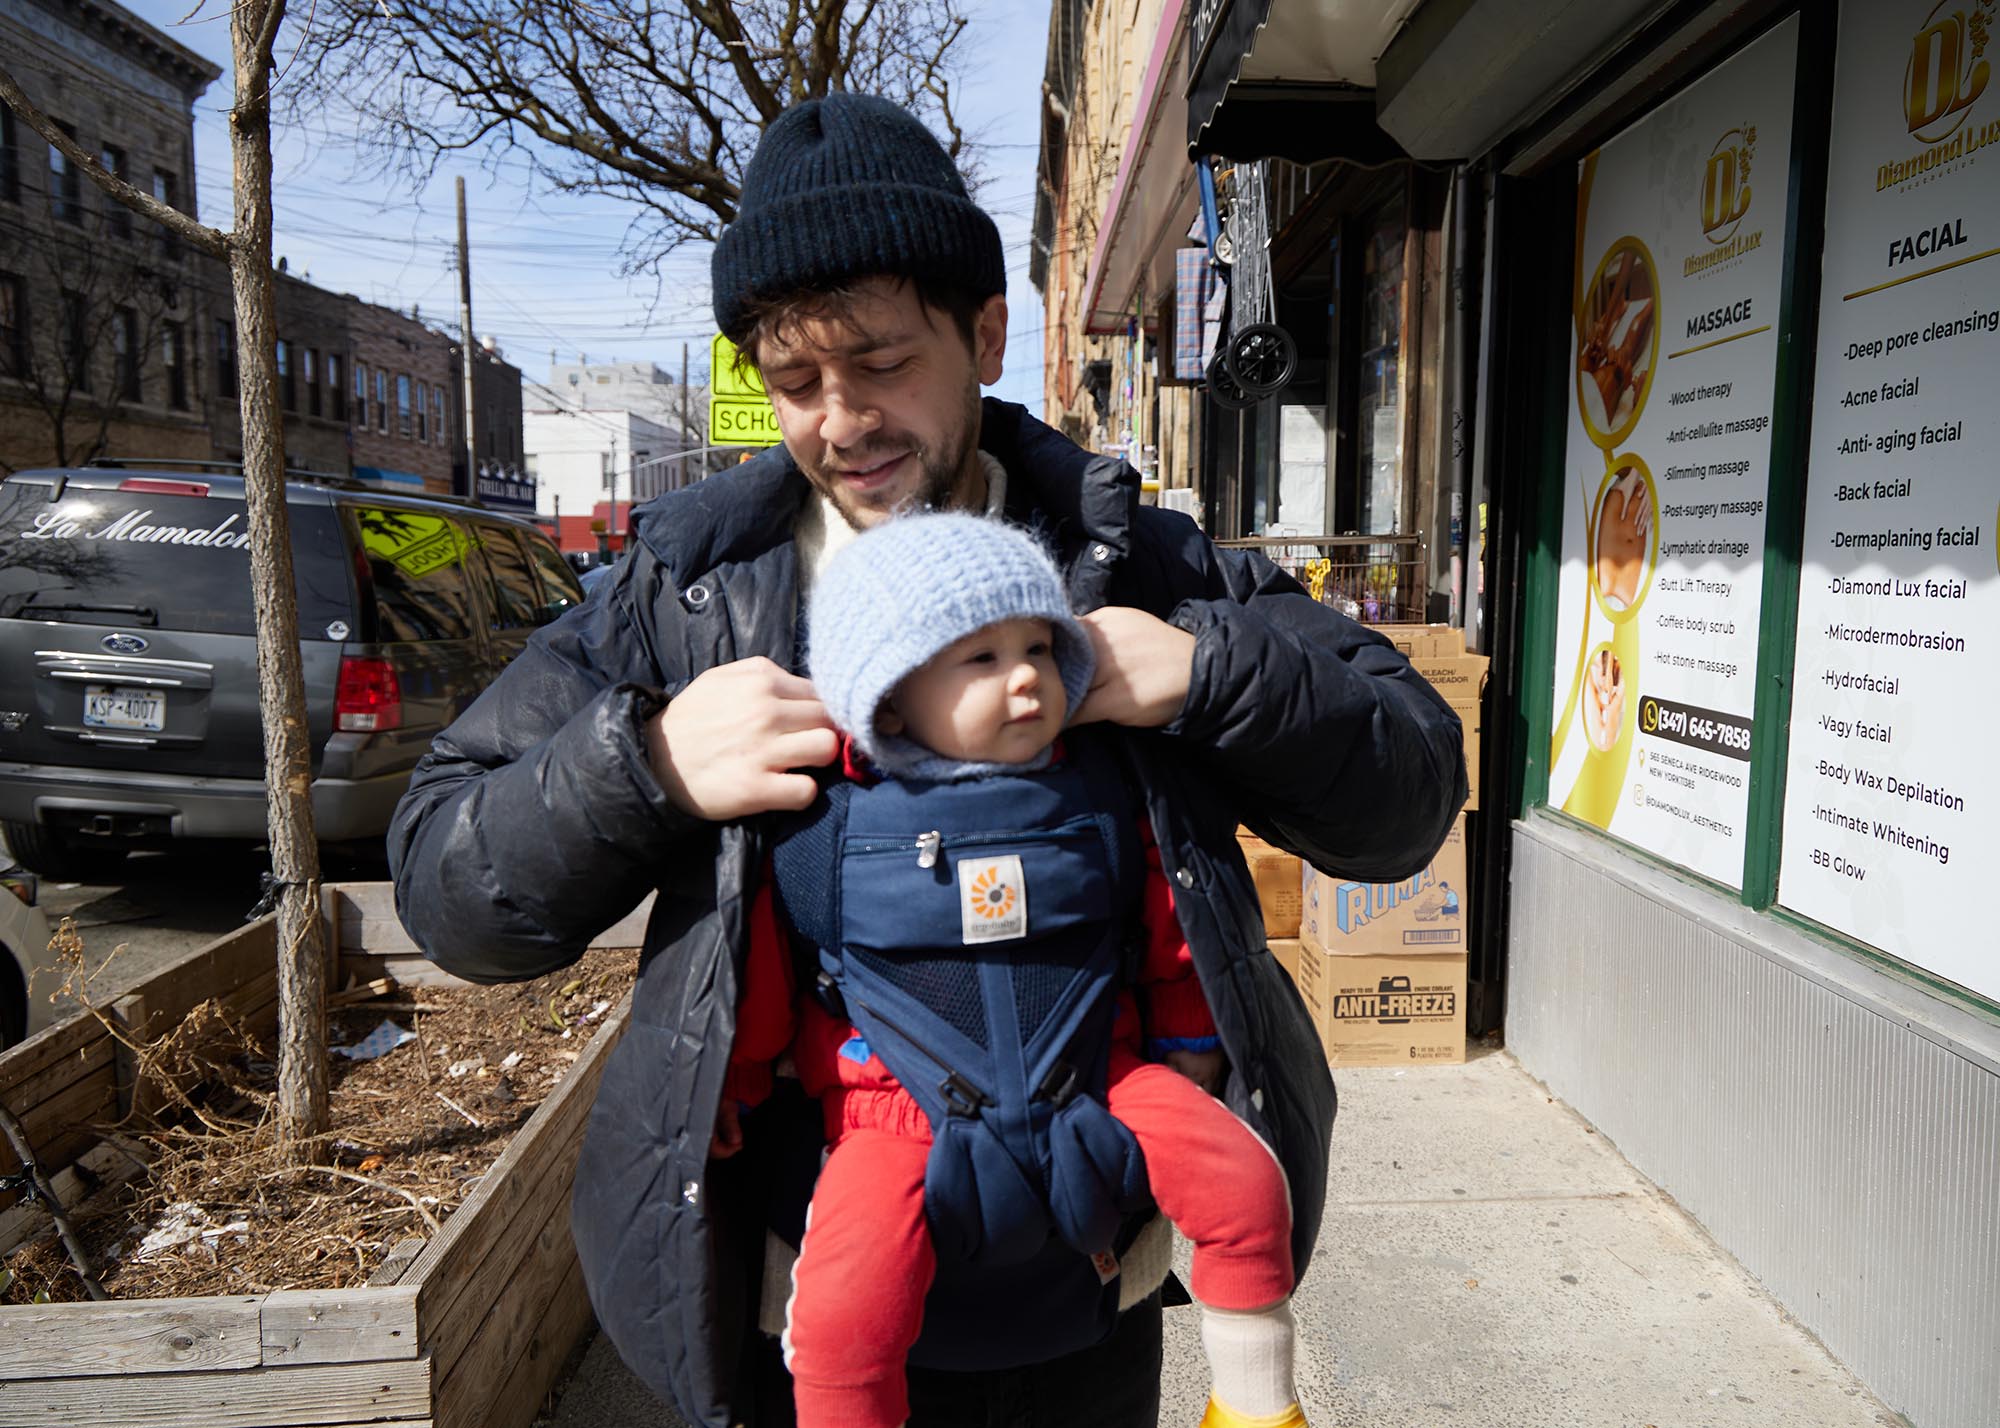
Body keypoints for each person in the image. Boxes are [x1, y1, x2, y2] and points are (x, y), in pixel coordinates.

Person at [389, 91, 1465, 1428]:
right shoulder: (687, 594)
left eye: (884, 363)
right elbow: (444, 882)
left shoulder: (1141, 562)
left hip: (1089, 1301)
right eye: (795, 384)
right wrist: (646, 763)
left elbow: (1412, 793)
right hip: (811, 1318)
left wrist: (1210, 674)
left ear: (986, 336)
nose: (842, 420)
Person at [720, 512, 1305, 1428]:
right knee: (842, 1307)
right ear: (889, 694)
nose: (1025, 674)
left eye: (1038, 644)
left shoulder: (1106, 788)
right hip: (889, 1112)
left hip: (1095, 1077)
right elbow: (762, 964)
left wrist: (1192, 1041)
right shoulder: (819, 825)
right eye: (979, 659)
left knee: (1245, 1183)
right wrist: (743, 1078)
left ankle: (1259, 1404)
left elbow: (1168, 925)